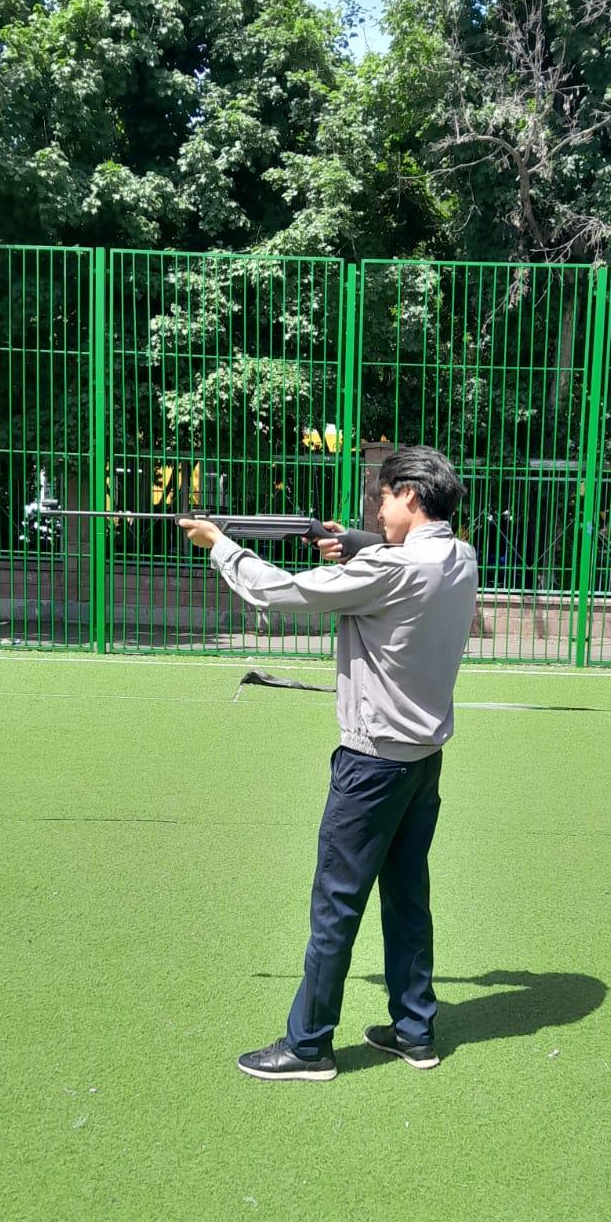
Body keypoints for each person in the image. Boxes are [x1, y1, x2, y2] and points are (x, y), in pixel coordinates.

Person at [178, 445, 478, 1081]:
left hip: (371, 766)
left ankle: (308, 1045)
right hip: (423, 762)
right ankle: (414, 1030)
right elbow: (397, 559)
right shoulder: (461, 557)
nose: (378, 508)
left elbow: (279, 591)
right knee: (407, 898)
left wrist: (219, 544)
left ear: (410, 495)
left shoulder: (390, 570)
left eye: (384, 497)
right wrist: (357, 545)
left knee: (335, 906)